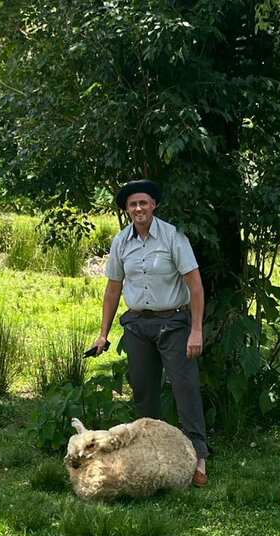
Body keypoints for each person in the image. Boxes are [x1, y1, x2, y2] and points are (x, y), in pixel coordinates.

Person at [89, 179, 209, 486]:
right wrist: (103, 334)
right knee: (143, 393)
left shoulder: (172, 236)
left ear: (153, 205)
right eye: (132, 204)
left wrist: (196, 331)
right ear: (127, 210)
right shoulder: (121, 242)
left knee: (185, 390)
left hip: (174, 323)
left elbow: (195, 286)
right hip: (138, 326)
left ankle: (199, 460)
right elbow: (113, 288)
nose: (138, 208)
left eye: (143, 202)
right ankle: (151, 458)